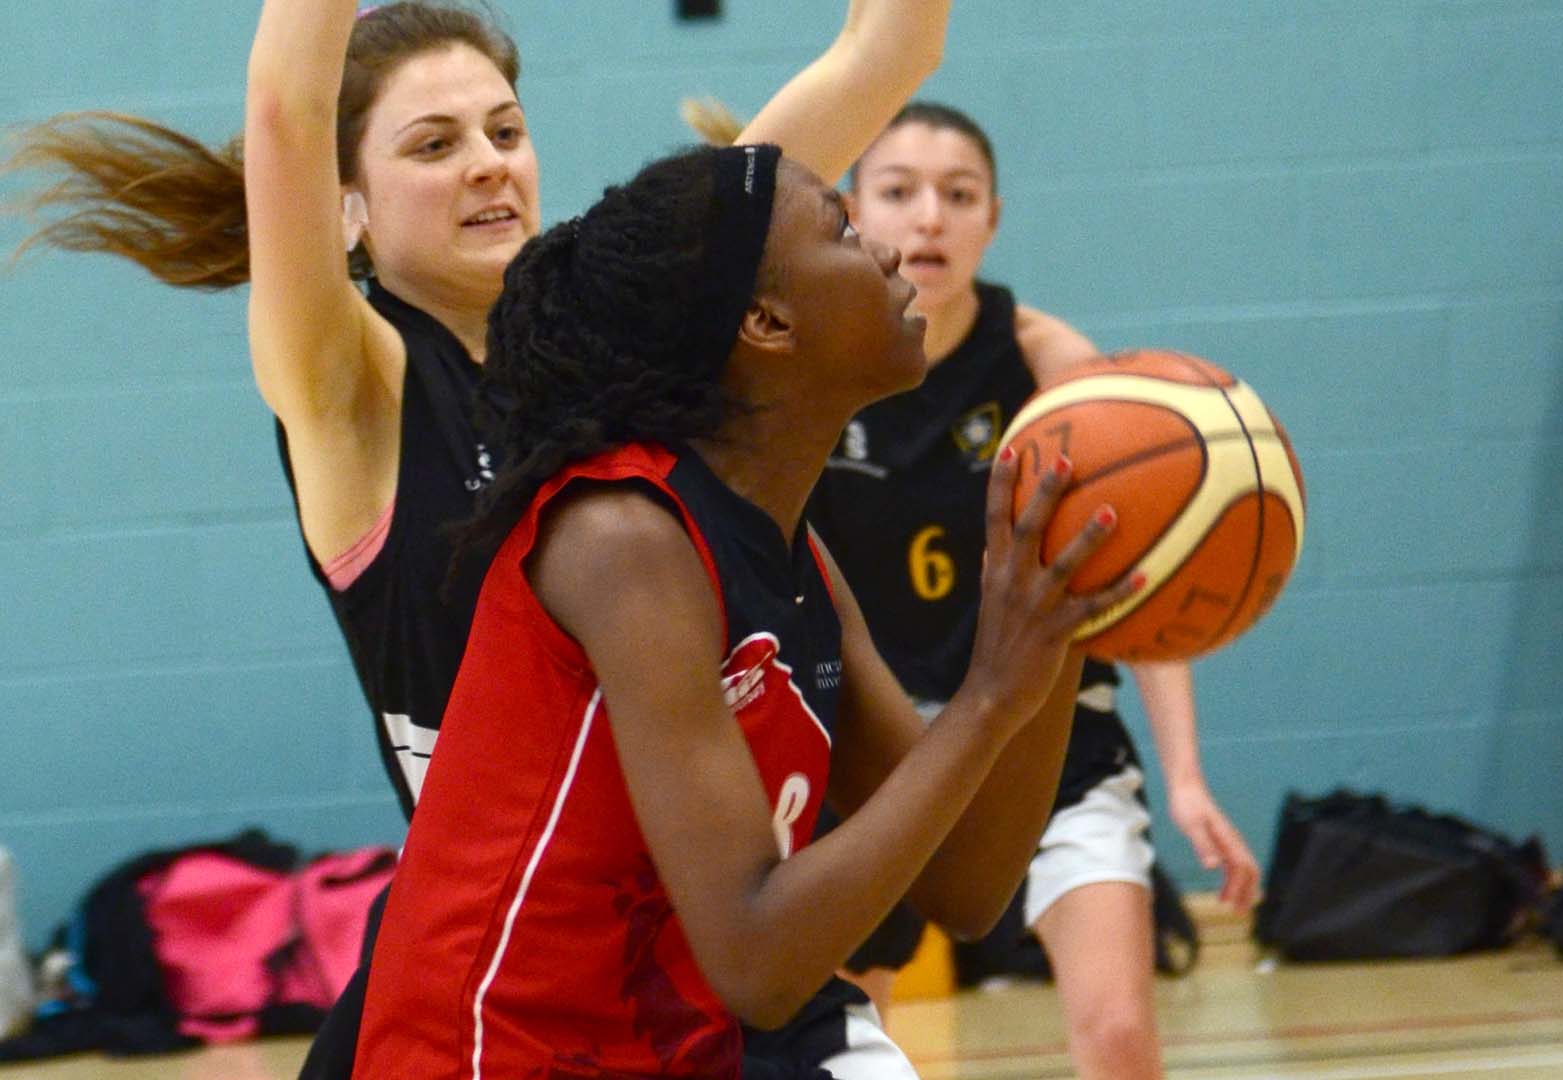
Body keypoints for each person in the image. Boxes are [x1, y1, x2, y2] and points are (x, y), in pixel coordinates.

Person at [0, 3, 949, 1074]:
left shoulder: (639, 337)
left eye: (506, 130)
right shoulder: (355, 390)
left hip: (719, 952)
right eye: (435, 144)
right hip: (501, 990)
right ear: (344, 206)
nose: (489, 165)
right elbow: (285, 109)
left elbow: (885, 51)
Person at [355, 141, 1140, 1078]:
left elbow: (969, 885)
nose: (885, 251)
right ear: (765, 321)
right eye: (844, 232)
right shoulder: (624, 540)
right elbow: (757, 961)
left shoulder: (793, 551)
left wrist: (1051, 634)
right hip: (500, 1056)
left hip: (680, 1041)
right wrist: (986, 699)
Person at [793, 103, 1260, 1079]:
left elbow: (1133, 581)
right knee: (844, 1044)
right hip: (876, 752)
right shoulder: (814, 369)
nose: (929, 219)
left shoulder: (1055, 369)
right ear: (849, 210)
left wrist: (1184, 777)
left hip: (1048, 740)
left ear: (993, 221)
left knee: (1121, 1034)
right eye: (899, 192)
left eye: (958, 197)